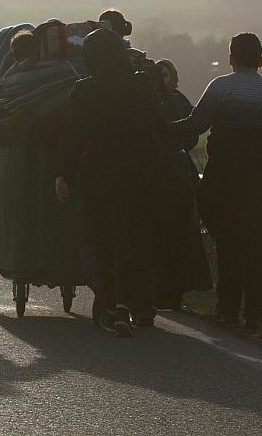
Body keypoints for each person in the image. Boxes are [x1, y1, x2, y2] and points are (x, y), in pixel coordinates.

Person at [169, 33, 262, 330]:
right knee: (259, 248)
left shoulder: (220, 88)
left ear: (231, 58)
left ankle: (227, 309)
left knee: (228, 243)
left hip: (224, 179)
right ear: (261, 60)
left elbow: (196, 125)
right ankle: (255, 313)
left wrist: (160, 128)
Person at [55, 28, 172, 336]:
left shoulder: (84, 90)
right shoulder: (143, 86)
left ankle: (110, 304)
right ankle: (130, 303)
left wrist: (64, 174)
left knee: (102, 239)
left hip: (98, 172)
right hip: (139, 171)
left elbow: (72, 138)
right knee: (134, 236)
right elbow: (159, 131)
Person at [154, 59, 213, 310]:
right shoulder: (151, 100)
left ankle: (176, 290)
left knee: (181, 231)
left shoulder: (178, 100)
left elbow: (192, 133)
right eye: (160, 74)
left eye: (167, 74)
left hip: (177, 169)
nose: (164, 78)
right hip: (157, 169)